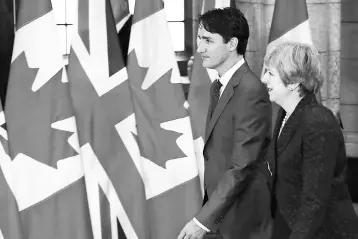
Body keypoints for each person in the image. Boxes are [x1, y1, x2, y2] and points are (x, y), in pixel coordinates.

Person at [178, 7, 272, 239]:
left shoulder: (250, 90)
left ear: (231, 44)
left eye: (208, 40)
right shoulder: (217, 87)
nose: (199, 48)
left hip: (242, 221)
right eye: (199, 39)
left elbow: (242, 165)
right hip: (222, 217)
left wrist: (202, 220)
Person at [261, 42, 358, 239]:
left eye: (270, 74)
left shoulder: (318, 122)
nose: (264, 79)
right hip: (287, 222)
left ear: (293, 82)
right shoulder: (284, 114)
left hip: (322, 232)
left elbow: (315, 200)